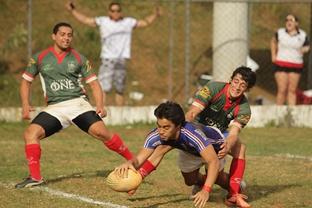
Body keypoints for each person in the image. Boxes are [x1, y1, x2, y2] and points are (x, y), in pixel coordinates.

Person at [15, 22, 134, 189]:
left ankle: (133, 161)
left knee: (102, 133)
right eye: (62, 34)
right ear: (54, 36)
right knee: (30, 134)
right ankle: (35, 177)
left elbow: (94, 84)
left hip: (78, 103)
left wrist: (100, 104)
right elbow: (26, 82)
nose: (66, 38)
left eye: (69, 35)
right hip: (55, 107)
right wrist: (25, 104)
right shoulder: (39, 58)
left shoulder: (79, 58)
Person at [115, 101, 222, 208]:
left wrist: (206, 190)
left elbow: (213, 161)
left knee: (219, 179)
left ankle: (235, 191)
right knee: (190, 181)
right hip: (190, 151)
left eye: (166, 127)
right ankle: (202, 182)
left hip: (216, 149)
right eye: (159, 126)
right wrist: (130, 164)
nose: (161, 131)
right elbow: (140, 159)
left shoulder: (192, 135)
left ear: (178, 126)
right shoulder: (156, 135)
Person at [185, 66, 256, 208]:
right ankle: (201, 182)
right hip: (199, 129)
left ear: (247, 89)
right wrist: (184, 125)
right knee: (189, 179)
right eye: (236, 81)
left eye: (243, 85)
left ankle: (233, 194)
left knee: (240, 148)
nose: (237, 87)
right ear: (231, 80)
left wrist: (228, 146)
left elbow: (233, 133)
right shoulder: (213, 88)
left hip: (218, 134)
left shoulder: (244, 109)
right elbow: (193, 111)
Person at [65, 2, 161, 106]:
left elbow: (144, 23)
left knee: (120, 88)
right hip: (107, 59)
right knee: (103, 87)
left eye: (118, 10)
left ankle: (119, 115)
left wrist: (155, 15)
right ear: (109, 12)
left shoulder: (128, 22)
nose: (115, 13)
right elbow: (86, 20)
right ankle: (102, 111)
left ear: (121, 12)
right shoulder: (103, 21)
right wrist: (73, 10)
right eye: (113, 10)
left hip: (121, 59)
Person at [271, 14, 310, 105]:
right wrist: (273, 55)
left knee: (292, 90)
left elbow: (307, 46)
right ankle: (279, 114)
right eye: (287, 20)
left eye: (291, 20)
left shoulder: (303, 35)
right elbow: (273, 42)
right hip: (281, 64)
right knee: (282, 89)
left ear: (296, 23)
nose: (288, 22)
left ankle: (291, 114)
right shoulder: (280, 32)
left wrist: (305, 49)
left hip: (296, 65)